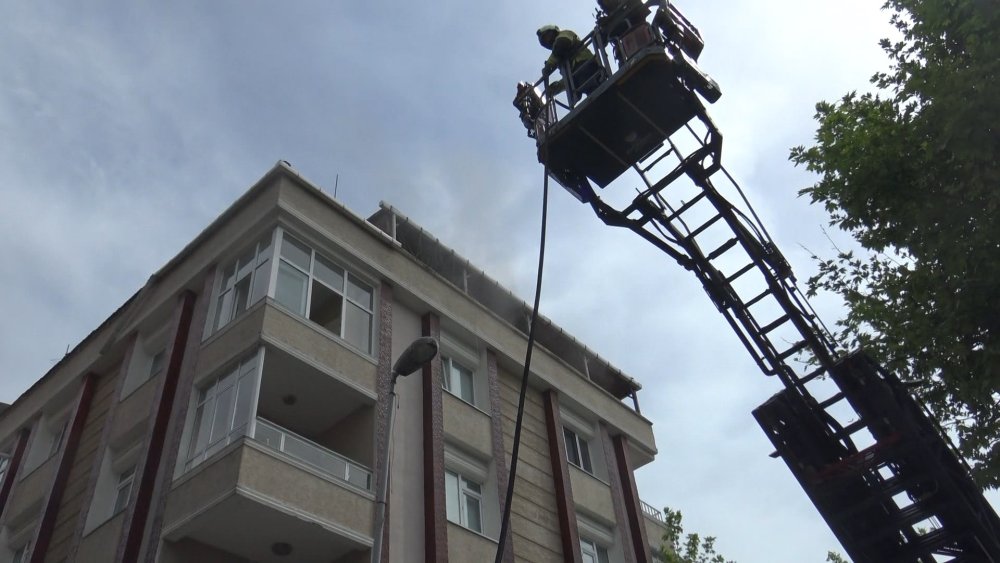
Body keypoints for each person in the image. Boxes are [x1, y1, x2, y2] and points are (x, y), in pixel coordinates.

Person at [536, 25, 602, 99]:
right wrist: (555, 88)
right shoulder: (560, 58)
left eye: (547, 36)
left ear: (554, 31)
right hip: (579, 77)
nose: (548, 40)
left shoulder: (564, 34)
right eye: (545, 40)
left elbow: (561, 44)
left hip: (587, 66)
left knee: (596, 89)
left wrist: (549, 65)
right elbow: (569, 78)